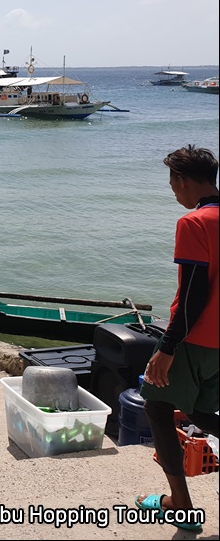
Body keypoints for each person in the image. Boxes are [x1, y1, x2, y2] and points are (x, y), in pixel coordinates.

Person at [136, 145, 219, 535]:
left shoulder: (194, 223)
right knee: (202, 407)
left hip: (196, 338)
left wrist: (166, 349)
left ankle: (180, 505)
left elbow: (192, 296)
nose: (172, 191)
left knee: (156, 402)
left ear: (183, 180)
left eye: (172, 183)